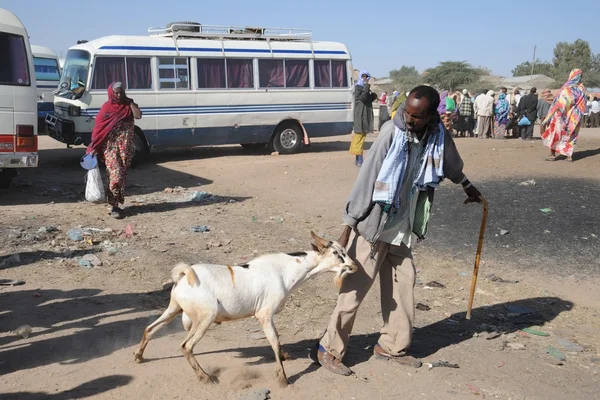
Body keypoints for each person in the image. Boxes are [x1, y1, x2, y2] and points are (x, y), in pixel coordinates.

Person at [311, 85, 482, 376]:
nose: (410, 120)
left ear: (430, 116)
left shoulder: (437, 135)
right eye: (407, 113)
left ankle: (391, 346)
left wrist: (466, 184)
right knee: (353, 292)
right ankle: (328, 349)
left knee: (404, 287)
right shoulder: (392, 132)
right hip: (375, 227)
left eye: (417, 116)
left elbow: (450, 162)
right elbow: (367, 180)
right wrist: (347, 227)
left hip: (402, 228)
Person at [86, 82, 142, 219]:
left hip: (125, 148)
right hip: (110, 147)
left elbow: (138, 116)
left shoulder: (128, 105)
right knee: (115, 175)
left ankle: (116, 203)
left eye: (121, 92)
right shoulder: (107, 108)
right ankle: (113, 206)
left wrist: (130, 103)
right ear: (111, 93)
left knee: (120, 176)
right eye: (116, 92)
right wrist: (93, 146)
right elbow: (99, 128)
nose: (119, 95)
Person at [541, 69, 587, 162]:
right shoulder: (582, 89)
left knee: (555, 134)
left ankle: (552, 154)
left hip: (561, 117)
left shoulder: (567, 88)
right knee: (571, 135)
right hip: (575, 118)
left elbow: (561, 103)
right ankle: (569, 156)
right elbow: (584, 104)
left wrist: (548, 117)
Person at [350, 70, 377, 167]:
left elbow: (368, 99)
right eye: (363, 76)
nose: (365, 78)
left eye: (366, 76)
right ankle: (359, 160)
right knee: (358, 138)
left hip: (364, 117)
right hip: (360, 117)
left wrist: (373, 95)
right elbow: (363, 98)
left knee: (361, 138)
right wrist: (366, 86)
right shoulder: (359, 87)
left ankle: (358, 160)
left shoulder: (365, 88)